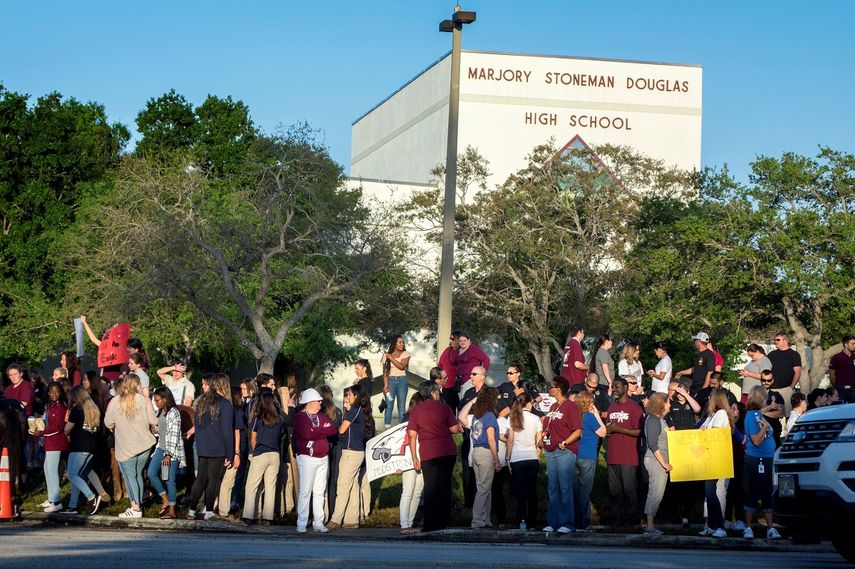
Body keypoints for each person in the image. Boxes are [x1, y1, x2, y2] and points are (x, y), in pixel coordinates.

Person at [407, 380, 462, 532]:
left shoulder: (416, 411)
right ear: (432, 392)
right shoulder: (444, 408)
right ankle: (443, 522)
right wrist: (459, 427)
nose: (439, 393)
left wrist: (414, 457)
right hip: (446, 450)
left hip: (428, 452)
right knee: (444, 486)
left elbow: (412, 435)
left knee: (430, 488)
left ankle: (429, 524)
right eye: (437, 390)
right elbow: (453, 429)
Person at [103, 373, 156, 517]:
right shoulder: (144, 400)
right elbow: (154, 420)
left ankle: (135, 507)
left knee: (130, 476)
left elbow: (108, 423)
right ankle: (138, 504)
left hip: (126, 446)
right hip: (145, 444)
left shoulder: (115, 401)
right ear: (137, 385)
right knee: (137, 474)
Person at [185, 373, 234, 520]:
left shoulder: (201, 402)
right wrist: (230, 453)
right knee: (213, 479)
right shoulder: (225, 404)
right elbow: (227, 431)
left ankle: (191, 510)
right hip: (218, 446)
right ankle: (209, 511)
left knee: (200, 479)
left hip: (203, 446)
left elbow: (198, 427)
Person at [293, 388, 338, 533]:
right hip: (307, 458)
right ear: (310, 402)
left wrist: (316, 430)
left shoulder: (322, 416)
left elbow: (332, 429)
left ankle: (318, 522)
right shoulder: (300, 417)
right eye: (318, 401)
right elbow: (307, 434)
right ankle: (302, 522)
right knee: (305, 491)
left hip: (322, 457)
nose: (320, 403)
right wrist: (320, 431)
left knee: (320, 491)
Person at [541, 377, 582, 533]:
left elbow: (577, 430)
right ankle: (553, 521)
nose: (548, 388)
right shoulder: (553, 406)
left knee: (565, 487)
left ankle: (567, 522)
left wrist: (565, 442)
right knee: (553, 487)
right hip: (551, 451)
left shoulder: (570, 406)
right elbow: (550, 427)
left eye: (550, 386)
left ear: (559, 388)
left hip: (565, 451)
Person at [329, 383, 371, 529]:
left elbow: (341, 430)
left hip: (350, 452)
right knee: (353, 486)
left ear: (356, 396)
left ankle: (335, 520)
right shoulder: (361, 410)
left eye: (349, 394)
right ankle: (352, 520)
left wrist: (345, 414)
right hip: (358, 452)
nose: (347, 396)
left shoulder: (354, 411)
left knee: (342, 486)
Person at [459, 387, 501, 529]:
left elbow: (461, 417)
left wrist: (471, 402)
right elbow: (491, 438)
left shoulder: (477, 416)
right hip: (486, 452)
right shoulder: (489, 416)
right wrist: (496, 459)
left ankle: (485, 519)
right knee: (483, 489)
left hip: (476, 451)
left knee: (484, 487)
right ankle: (477, 520)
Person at [742, 386, 781, 539]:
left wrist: (770, 407)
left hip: (767, 458)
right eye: (764, 397)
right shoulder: (752, 416)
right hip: (757, 458)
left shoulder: (758, 413)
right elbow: (756, 440)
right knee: (756, 490)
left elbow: (764, 411)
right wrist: (765, 427)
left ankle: (770, 528)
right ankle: (748, 527)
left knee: (766, 491)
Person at [605, 376, 643, 527]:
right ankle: (616, 519)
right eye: (612, 387)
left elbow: (640, 431)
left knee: (629, 490)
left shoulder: (635, 407)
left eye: (617, 386)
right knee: (615, 491)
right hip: (613, 455)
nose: (614, 389)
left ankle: (631, 520)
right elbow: (610, 429)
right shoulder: (611, 407)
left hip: (628, 456)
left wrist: (618, 429)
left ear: (626, 387)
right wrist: (608, 432)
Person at [242, 391, 284, 524]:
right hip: (275, 454)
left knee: (252, 486)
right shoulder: (279, 419)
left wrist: (254, 452)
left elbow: (253, 438)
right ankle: (268, 517)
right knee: (270, 487)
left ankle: (249, 516)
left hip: (261, 453)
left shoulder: (257, 418)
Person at [698, 389, 733, 538]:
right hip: (709, 457)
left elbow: (714, 434)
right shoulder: (712, 415)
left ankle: (720, 526)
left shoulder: (721, 414)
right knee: (709, 492)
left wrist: (705, 431)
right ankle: (712, 525)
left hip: (716, 458)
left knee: (711, 492)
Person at [63, 385, 103, 515]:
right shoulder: (94, 408)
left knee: (72, 474)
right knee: (77, 475)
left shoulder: (77, 409)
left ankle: (92, 497)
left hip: (79, 446)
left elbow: (67, 430)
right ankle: (72, 505)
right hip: (92, 446)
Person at [506, 392, 541, 531]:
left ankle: (521, 519)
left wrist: (508, 458)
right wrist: (537, 456)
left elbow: (510, 440)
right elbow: (538, 441)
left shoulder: (513, 417)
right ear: (528, 403)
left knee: (520, 492)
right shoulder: (536, 418)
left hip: (517, 458)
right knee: (532, 490)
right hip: (532, 457)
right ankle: (533, 519)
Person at [148, 386, 184, 519]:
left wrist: (169, 455)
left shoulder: (174, 412)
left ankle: (172, 510)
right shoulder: (161, 412)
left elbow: (174, 435)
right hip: (161, 447)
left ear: (165, 398)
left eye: (157, 400)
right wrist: (156, 430)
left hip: (171, 450)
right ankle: (165, 499)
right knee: (151, 473)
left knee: (170, 480)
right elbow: (164, 431)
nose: (156, 403)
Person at [573, 389, 605, 531]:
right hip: (588, 455)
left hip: (574, 455)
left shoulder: (574, 416)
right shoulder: (589, 417)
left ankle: (573, 520)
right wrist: (597, 414)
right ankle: (583, 523)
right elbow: (603, 432)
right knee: (585, 491)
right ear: (589, 403)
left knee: (574, 490)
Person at [458, 365, 488, 509]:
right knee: (467, 470)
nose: (471, 376)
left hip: (481, 439)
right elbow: (461, 408)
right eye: (471, 373)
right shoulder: (469, 392)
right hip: (467, 437)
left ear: (482, 376)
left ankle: (481, 503)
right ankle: (468, 502)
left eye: (474, 374)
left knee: (481, 471)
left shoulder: (488, 392)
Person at [642, 392, 672, 535]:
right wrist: (664, 463)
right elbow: (653, 444)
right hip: (655, 460)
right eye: (668, 402)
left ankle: (651, 525)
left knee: (658, 493)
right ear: (662, 404)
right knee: (655, 492)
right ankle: (649, 526)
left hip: (659, 460)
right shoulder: (653, 420)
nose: (670, 405)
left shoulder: (662, 420)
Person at [36, 382, 67, 512]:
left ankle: (57, 501)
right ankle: (51, 498)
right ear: (48, 393)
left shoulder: (60, 408)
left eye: (57, 392)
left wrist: (41, 432)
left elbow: (58, 428)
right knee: (47, 468)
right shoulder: (51, 406)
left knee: (53, 471)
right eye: (52, 392)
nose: (54, 394)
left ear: (61, 393)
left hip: (56, 442)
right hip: (50, 442)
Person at [217, 386, 246, 518]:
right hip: (232, 449)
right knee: (228, 481)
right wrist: (237, 453)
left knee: (217, 480)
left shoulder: (221, 408)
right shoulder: (237, 411)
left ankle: (211, 508)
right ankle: (224, 510)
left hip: (218, 449)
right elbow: (237, 433)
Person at [399, 393, 425, 534]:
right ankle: (404, 525)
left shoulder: (420, 418)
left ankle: (409, 522)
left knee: (416, 492)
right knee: (408, 491)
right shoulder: (407, 418)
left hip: (422, 455)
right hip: (409, 456)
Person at [767, 333, 802, 414]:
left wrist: (791, 387)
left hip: (786, 389)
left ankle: (789, 427)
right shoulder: (772, 354)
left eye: (778, 340)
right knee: (771, 413)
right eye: (775, 340)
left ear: (785, 341)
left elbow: (797, 372)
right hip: (772, 390)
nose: (775, 342)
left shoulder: (794, 355)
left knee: (788, 414)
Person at [381, 335, 410, 428]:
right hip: (390, 381)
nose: (402, 344)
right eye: (400, 342)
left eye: (403, 342)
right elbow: (385, 372)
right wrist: (386, 386)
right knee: (389, 406)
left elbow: (402, 366)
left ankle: (401, 430)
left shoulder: (405, 354)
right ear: (395, 344)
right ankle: (387, 429)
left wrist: (391, 358)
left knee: (401, 407)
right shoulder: (386, 355)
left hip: (402, 381)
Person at [676, 332, 716, 396]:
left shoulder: (710, 354)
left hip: (702, 389)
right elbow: (696, 368)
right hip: (694, 387)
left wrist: (703, 390)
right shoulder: (699, 354)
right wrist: (681, 372)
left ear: (698, 341)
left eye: (695, 340)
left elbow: (710, 373)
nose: (694, 342)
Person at [829, 335, 855, 404]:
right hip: (841, 390)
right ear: (846, 344)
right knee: (840, 410)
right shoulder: (836, 357)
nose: (854, 345)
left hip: (854, 390)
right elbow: (832, 375)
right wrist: (837, 387)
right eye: (852, 344)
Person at [437, 332, 460, 409]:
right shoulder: (447, 350)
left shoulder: (461, 352)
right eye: (450, 339)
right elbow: (439, 364)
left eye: (453, 339)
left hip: (456, 386)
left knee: (459, 409)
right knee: (448, 409)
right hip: (446, 385)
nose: (451, 341)